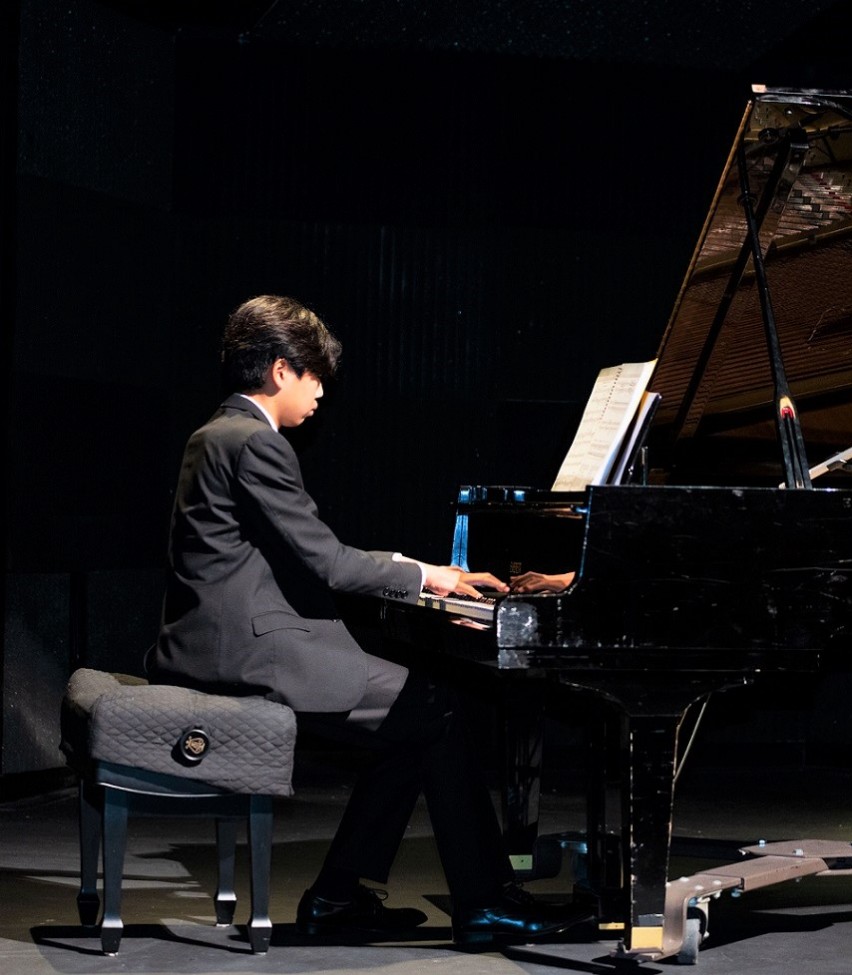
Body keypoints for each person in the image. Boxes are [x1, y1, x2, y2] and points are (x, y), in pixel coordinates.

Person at [144, 295, 588, 945]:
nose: (322, 392)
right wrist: (429, 576)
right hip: (243, 651)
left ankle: (336, 897)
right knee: (433, 708)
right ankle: (486, 904)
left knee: (411, 716)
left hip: (213, 640)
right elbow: (328, 562)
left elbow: (318, 551)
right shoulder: (256, 444)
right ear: (279, 370)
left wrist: (423, 568)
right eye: (315, 375)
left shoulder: (215, 432)